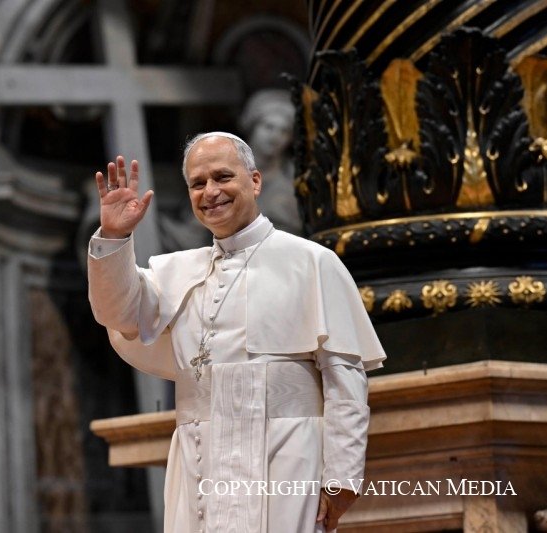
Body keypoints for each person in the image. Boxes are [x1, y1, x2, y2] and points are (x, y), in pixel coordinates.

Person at [87, 132, 386, 532]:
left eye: (223, 177)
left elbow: (345, 379)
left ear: (255, 181)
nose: (210, 191)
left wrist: (341, 478)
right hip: (199, 459)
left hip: (286, 456)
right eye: (197, 183)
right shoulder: (176, 272)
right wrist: (115, 236)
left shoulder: (312, 262)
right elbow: (117, 312)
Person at [240, 89, 303, 235]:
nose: (275, 137)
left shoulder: (294, 181)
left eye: (284, 131)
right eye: (269, 127)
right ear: (253, 128)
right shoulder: (228, 173)